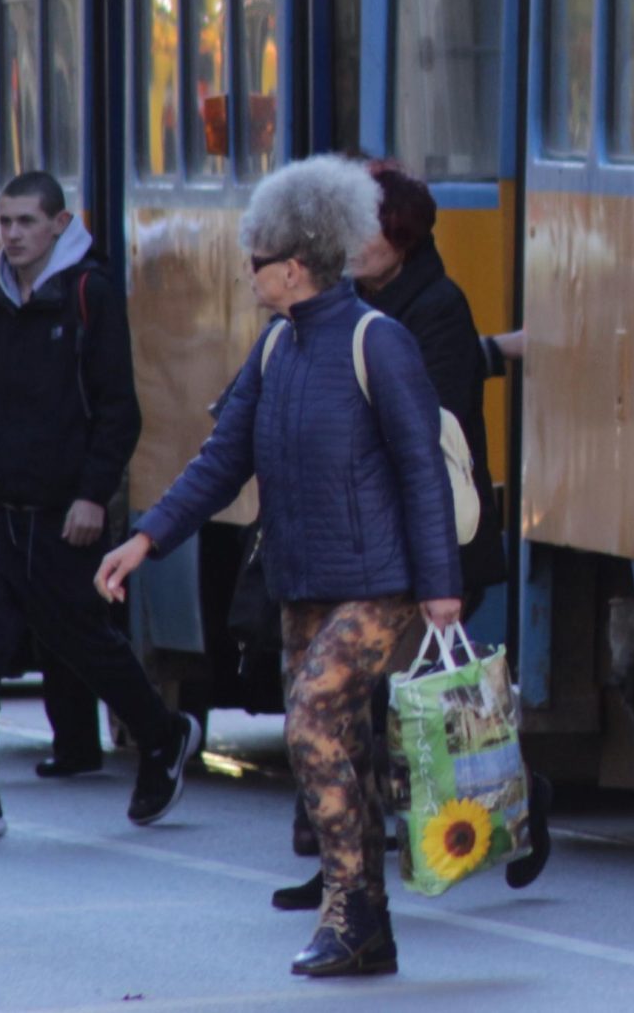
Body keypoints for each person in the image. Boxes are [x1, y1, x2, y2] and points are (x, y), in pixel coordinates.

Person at [97, 156, 459, 981]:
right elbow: (220, 461)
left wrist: (440, 587)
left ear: (296, 265)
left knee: (314, 720)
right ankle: (370, 922)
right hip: (303, 581)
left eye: (256, 260)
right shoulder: (274, 350)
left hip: (382, 580)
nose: (248, 273)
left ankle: (351, 905)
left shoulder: (380, 341)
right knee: (344, 745)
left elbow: (421, 468)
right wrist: (147, 538)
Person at [258, 158, 543, 913]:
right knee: (365, 716)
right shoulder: (344, 306)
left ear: (404, 238)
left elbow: (427, 427)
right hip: (374, 543)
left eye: (373, 230)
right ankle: (340, 868)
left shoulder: (434, 307)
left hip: (432, 539)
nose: (357, 243)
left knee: (386, 709)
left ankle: (518, 797)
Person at [0, 171, 199, 842]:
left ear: (57, 224)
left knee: (81, 638)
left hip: (59, 507)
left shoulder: (88, 294)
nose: (12, 233)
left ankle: (163, 736)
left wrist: (90, 494)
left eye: (25, 221)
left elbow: (117, 411)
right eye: (4, 221)